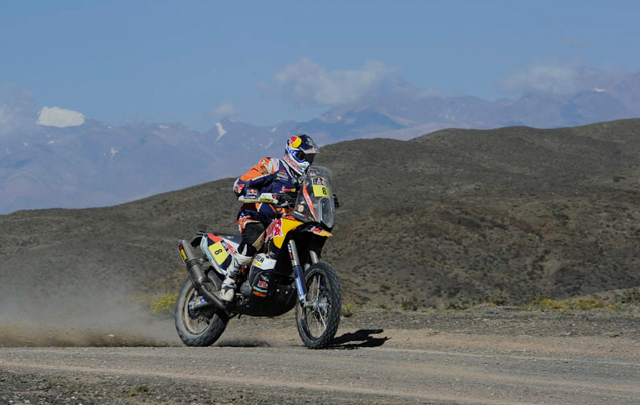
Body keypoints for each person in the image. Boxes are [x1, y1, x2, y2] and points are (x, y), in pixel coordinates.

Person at [219, 134, 320, 301]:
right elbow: (241, 183)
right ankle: (229, 281)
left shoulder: (307, 178)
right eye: (304, 157)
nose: (308, 162)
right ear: (292, 154)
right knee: (255, 236)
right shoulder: (273, 166)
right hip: (257, 216)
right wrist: (251, 192)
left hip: (287, 222)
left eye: (311, 158)